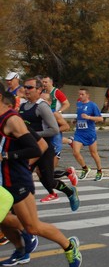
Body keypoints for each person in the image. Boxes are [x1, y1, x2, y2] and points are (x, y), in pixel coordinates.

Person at [0, 89, 81, 267]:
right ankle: (21, 251)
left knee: (33, 227)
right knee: (2, 219)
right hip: (3, 182)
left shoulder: (12, 120)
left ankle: (69, 246)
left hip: (17, 181)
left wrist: (6, 156)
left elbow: (37, 149)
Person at [20, 77, 78, 206]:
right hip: (29, 149)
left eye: (30, 87)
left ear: (39, 90)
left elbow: (54, 129)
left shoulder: (42, 106)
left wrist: (33, 135)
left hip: (44, 148)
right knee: (21, 176)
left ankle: (69, 192)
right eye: (25, 87)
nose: (26, 90)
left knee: (49, 181)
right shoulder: (23, 105)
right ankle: (20, 208)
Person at [68, 88, 104, 181]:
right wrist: (76, 120)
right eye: (79, 94)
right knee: (75, 152)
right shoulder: (79, 104)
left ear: (87, 95)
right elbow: (79, 115)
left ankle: (99, 170)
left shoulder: (92, 105)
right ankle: (85, 168)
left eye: (82, 94)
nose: (80, 96)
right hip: (79, 133)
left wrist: (89, 117)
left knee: (93, 153)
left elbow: (100, 119)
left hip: (89, 133)